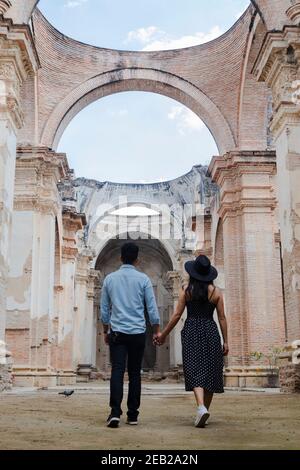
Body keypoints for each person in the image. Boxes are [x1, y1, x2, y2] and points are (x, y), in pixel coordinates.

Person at [156, 255, 228, 428]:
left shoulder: (187, 290)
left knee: (194, 368)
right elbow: (222, 318)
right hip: (210, 330)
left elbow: (177, 315)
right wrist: (226, 341)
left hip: (192, 330)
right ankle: (203, 410)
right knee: (211, 369)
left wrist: (164, 334)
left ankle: (201, 408)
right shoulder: (216, 292)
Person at [100, 242, 161, 428]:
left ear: (120, 258)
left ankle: (115, 413)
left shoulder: (110, 279)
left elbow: (104, 310)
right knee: (135, 373)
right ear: (137, 259)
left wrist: (105, 330)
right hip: (137, 333)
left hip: (117, 332)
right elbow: (152, 308)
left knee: (117, 371)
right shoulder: (143, 279)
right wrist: (157, 329)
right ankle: (133, 415)